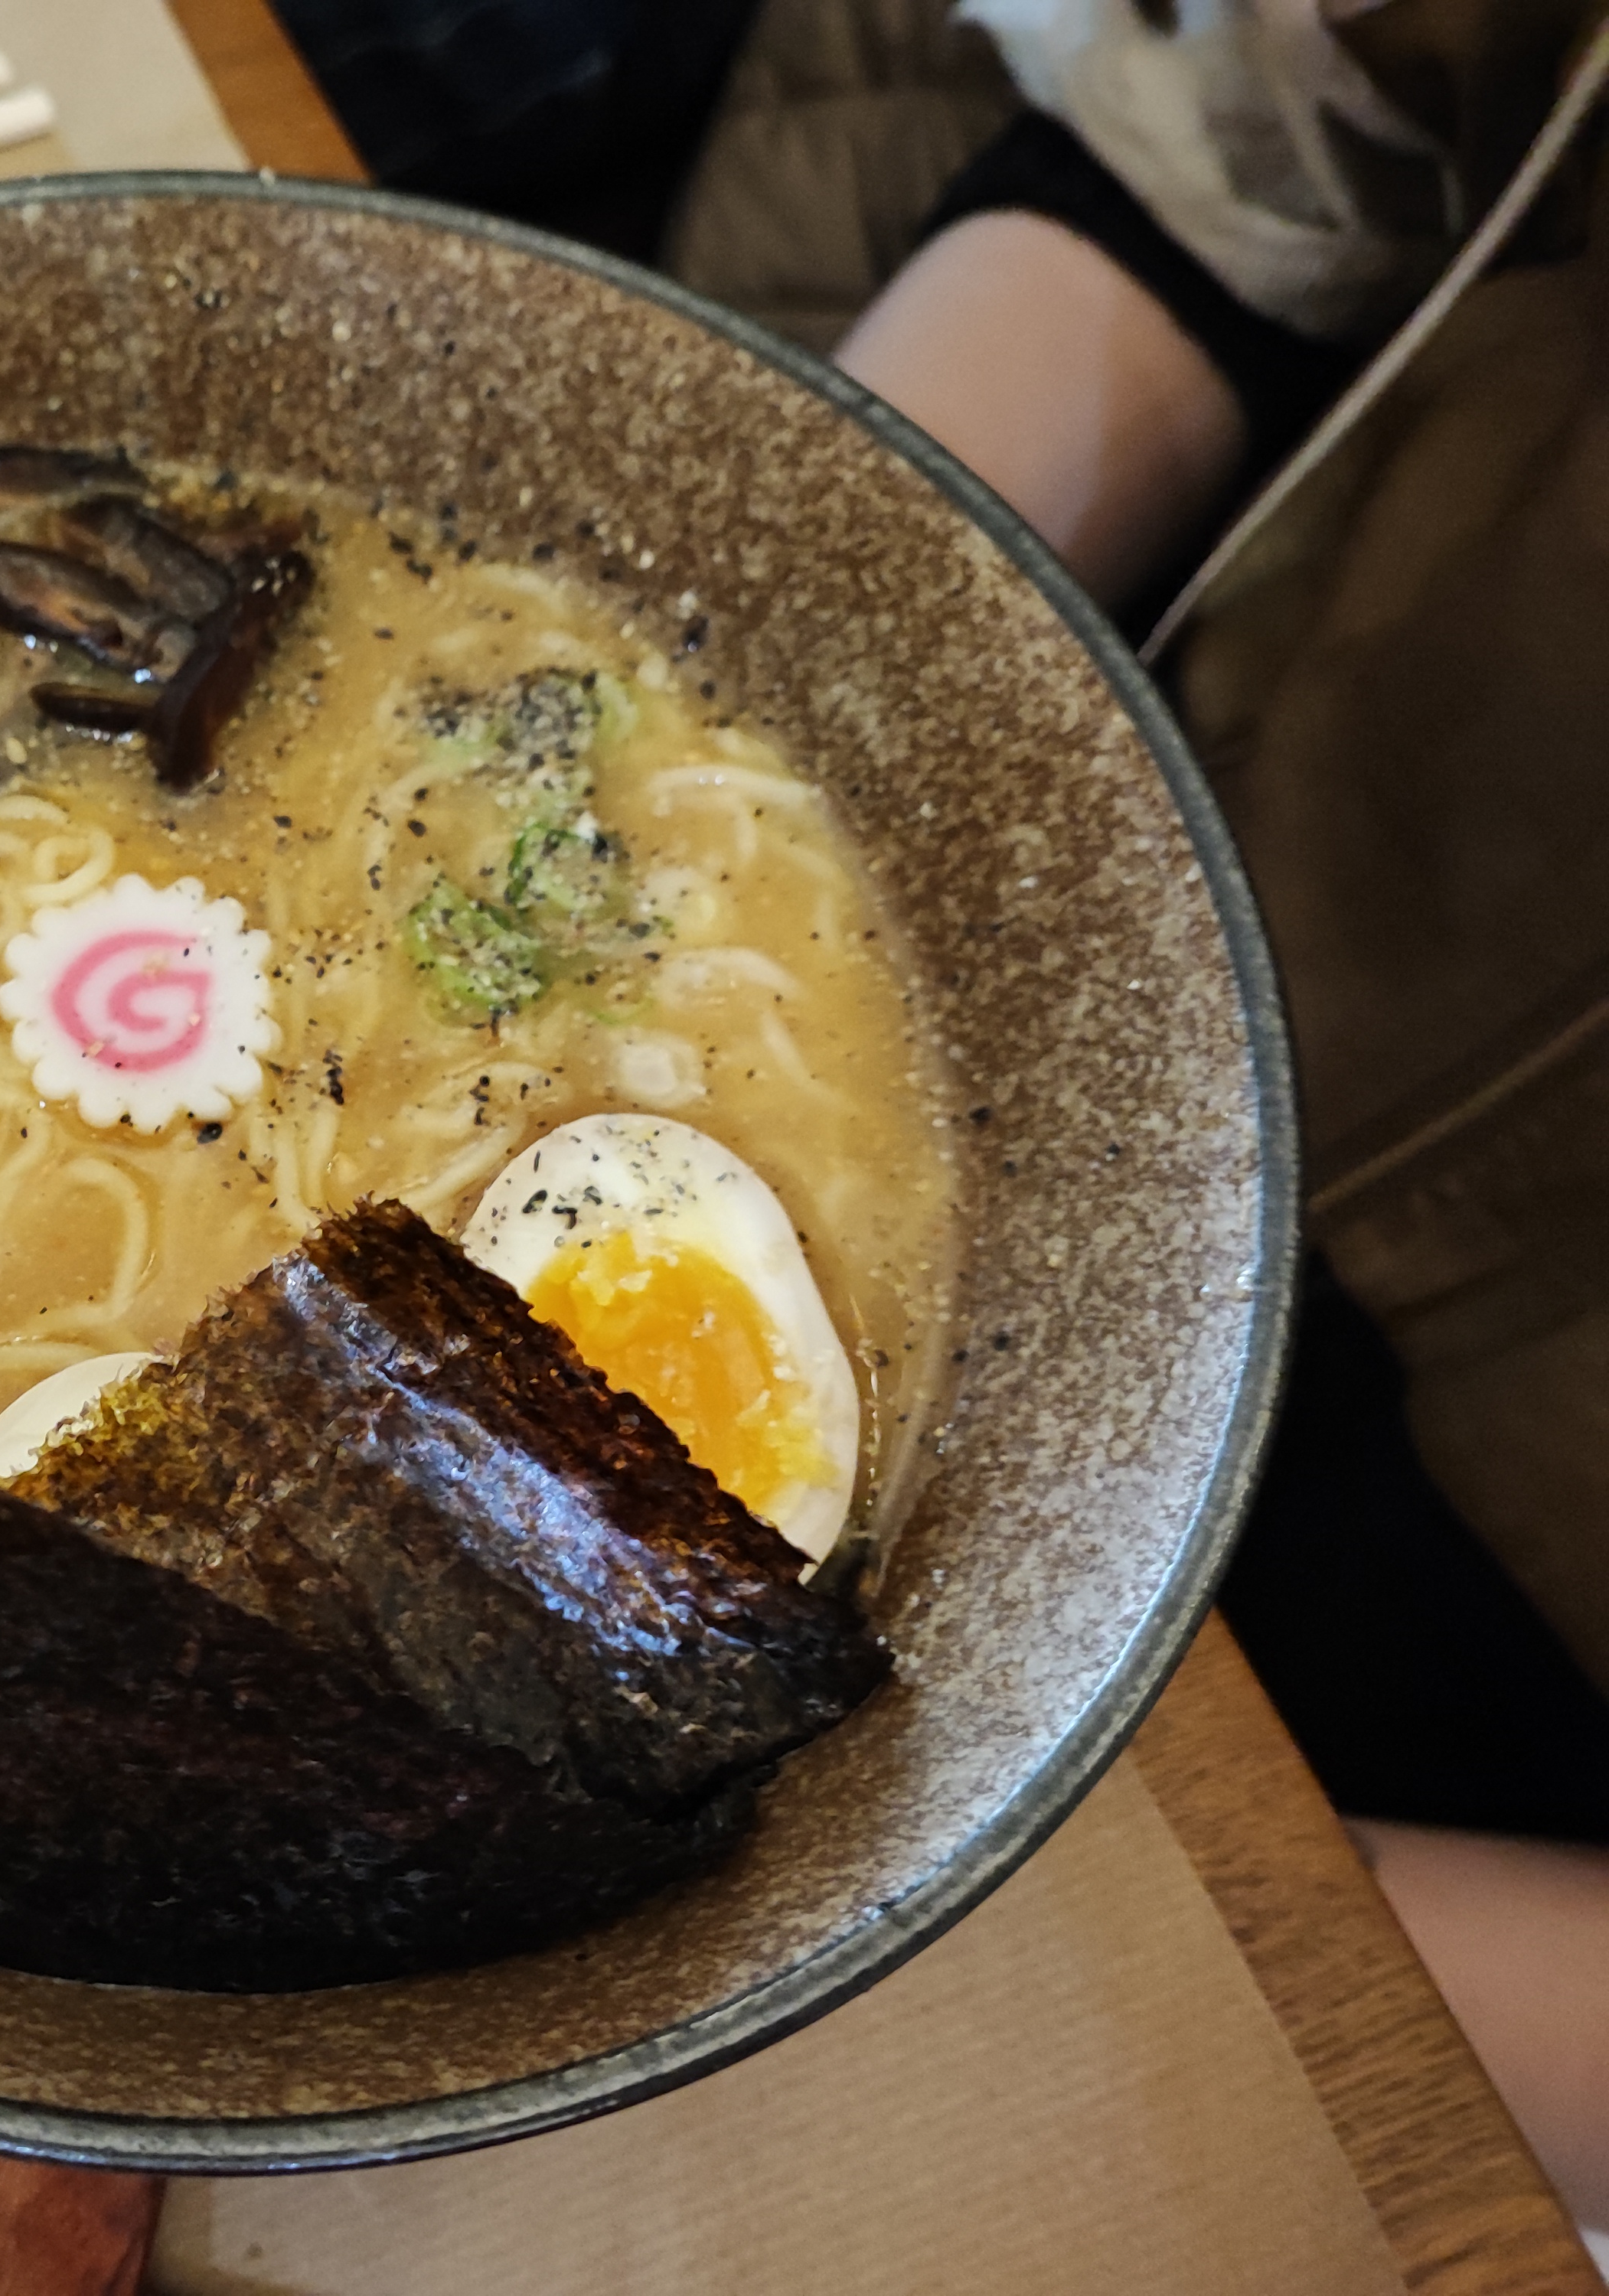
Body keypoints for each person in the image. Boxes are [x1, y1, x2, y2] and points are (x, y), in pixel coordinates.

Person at [284, 0, 1609, 2241]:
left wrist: (1141, 1899)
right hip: (1145, 921)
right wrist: (727, 687)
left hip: (1476, 1715)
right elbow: (1276, 137)